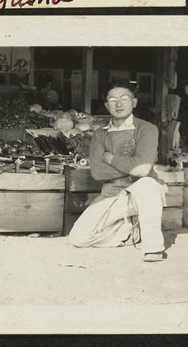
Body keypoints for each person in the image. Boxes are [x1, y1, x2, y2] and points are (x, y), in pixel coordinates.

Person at [68, 78, 167, 262]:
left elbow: (144, 169)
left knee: (148, 183)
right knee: (78, 238)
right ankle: (128, 231)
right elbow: (97, 172)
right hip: (111, 195)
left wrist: (110, 158)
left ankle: (153, 248)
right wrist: (133, 166)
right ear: (106, 105)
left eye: (124, 98)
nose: (119, 103)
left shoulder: (147, 129)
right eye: (112, 100)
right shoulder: (100, 134)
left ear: (134, 102)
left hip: (139, 194)